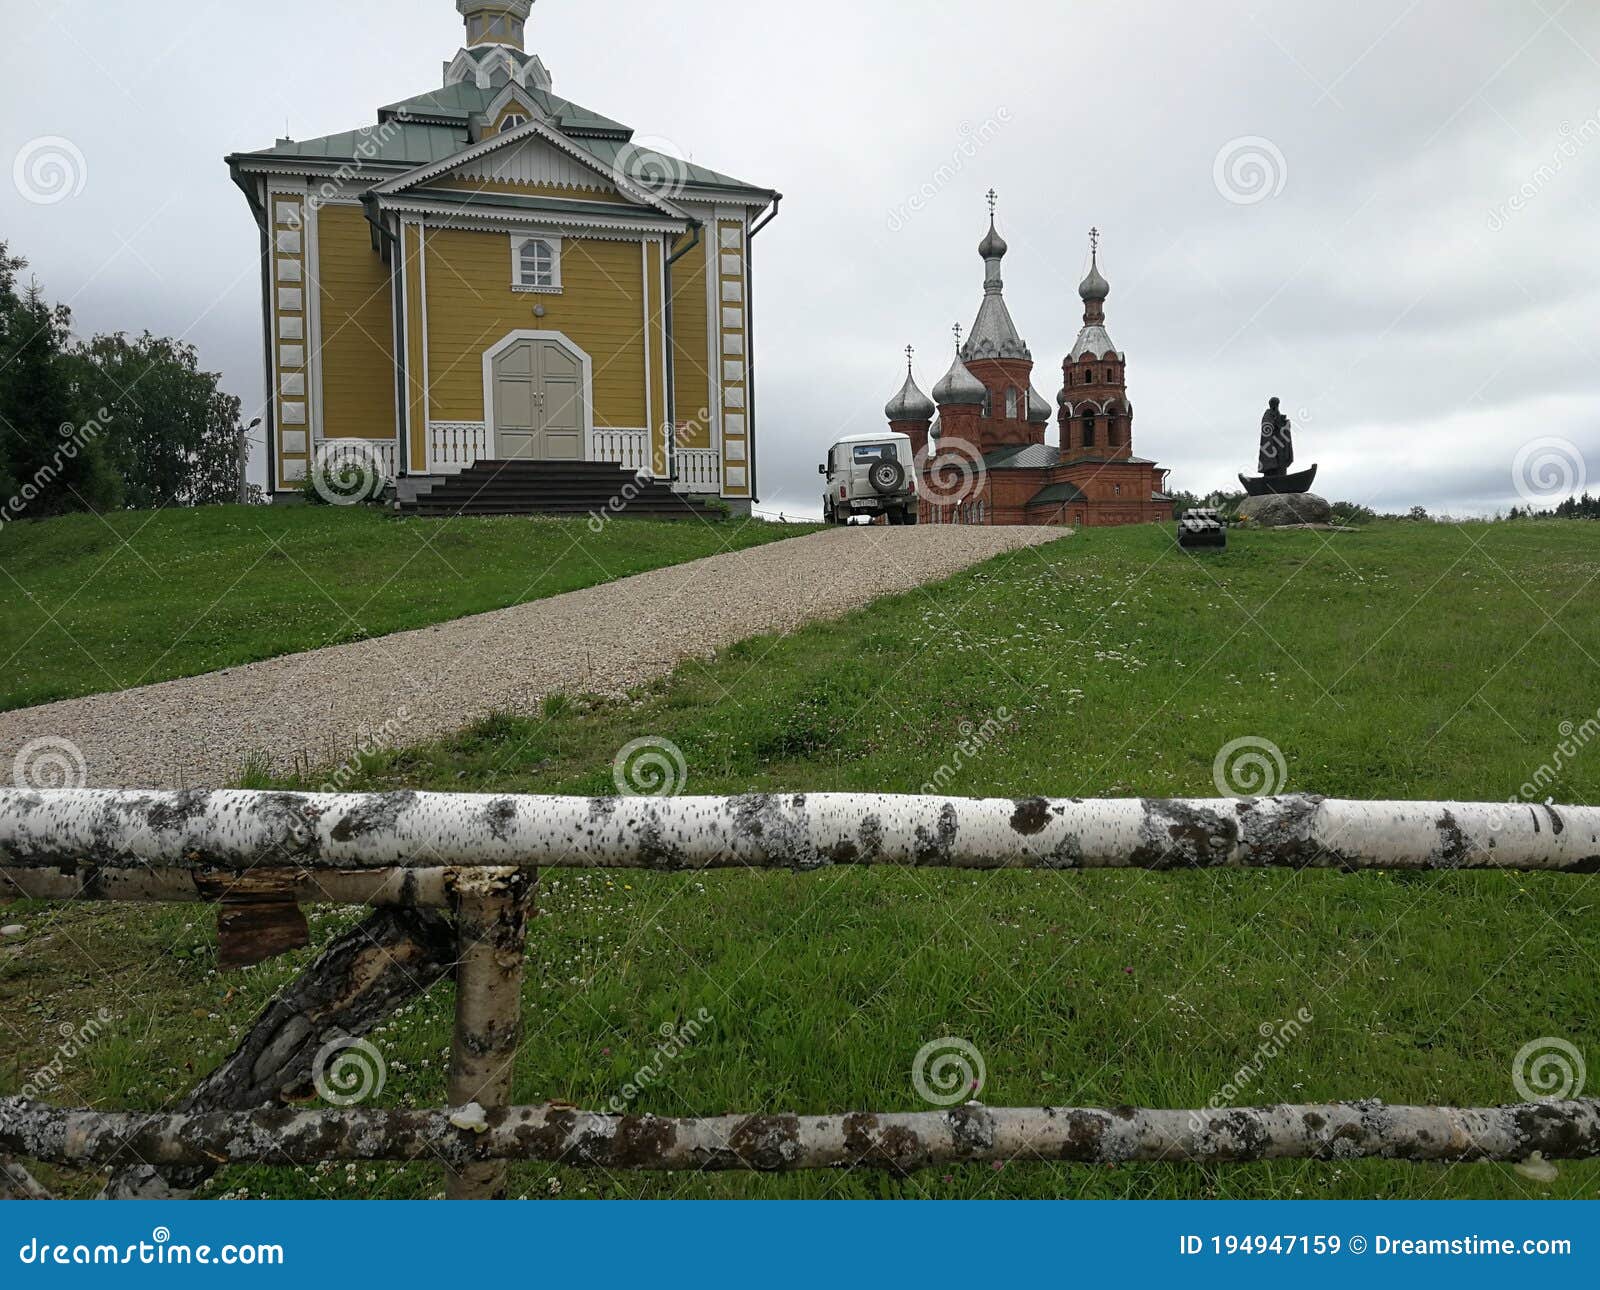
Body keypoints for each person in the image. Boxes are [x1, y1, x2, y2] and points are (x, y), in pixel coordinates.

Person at [1259, 397, 1294, 476]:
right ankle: (1272, 477)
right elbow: (1267, 427)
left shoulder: (1278, 415)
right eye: (1275, 404)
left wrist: (1285, 422)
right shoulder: (1268, 415)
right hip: (1272, 443)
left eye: (1277, 404)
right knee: (1273, 462)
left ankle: (1281, 477)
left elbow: (1282, 426)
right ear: (1271, 405)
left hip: (1281, 443)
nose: (1276, 406)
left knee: (1282, 460)